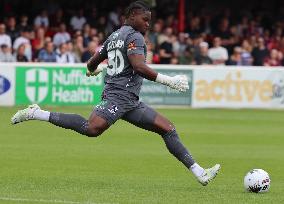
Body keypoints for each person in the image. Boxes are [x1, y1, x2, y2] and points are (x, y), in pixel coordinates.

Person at [11, 1, 220, 186]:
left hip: (130, 101)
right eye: (144, 19)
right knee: (91, 129)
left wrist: (98, 69)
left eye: (150, 21)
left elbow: (91, 63)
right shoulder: (135, 36)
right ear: (131, 16)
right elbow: (138, 67)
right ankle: (36, 113)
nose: (148, 24)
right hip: (117, 96)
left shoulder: (113, 36)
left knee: (167, 128)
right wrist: (169, 81)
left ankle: (199, 172)